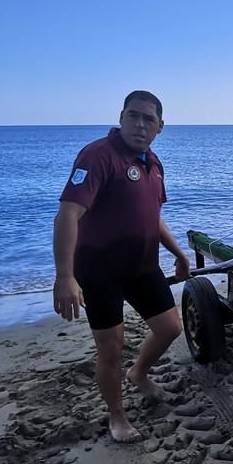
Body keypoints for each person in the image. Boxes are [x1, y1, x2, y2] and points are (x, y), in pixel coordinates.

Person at [52, 90, 191, 443]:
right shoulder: (98, 155)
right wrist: (65, 277)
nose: (140, 124)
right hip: (99, 271)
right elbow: (68, 213)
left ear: (160, 126)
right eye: (133, 116)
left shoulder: (154, 164)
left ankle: (139, 373)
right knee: (110, 348)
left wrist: (178, 252)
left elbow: (152, 217)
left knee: (170, 328)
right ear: (121, 117)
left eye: (148, 119)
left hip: (142, 265)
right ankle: (117, 417)